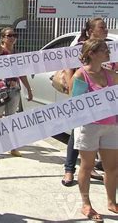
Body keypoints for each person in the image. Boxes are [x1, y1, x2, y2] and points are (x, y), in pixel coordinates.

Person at [69, 39, 118, 222]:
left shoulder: (112, 75)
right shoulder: (81, 75)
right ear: (91, 53)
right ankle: (86, 205)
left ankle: (112, 202)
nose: (108, 52)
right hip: (89, 127)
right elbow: (73, 104)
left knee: (112, 168)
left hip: (111, 126)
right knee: (87, 166)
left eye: (107, 49)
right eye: (103, 49)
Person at [62, 18, 108, 186]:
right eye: (102, 27)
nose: (106, 30)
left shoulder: (108, 48)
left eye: (105, 27)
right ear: (90, 31)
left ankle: (90, 167)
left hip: (105, 99)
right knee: (77, 133)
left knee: (99, 134)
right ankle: (69, 170)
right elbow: (70, 71)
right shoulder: (79, 48)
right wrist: (72, 96)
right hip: (83, 96)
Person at [0, 28, 33, 157]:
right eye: (9, 35)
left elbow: (22, 73)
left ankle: (13, 147)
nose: (12, 37)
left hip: (14, 90)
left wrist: (28, 88)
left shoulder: (17, 54)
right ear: (3, 38)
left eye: (14, 35)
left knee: (12, 119)